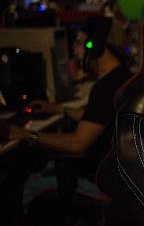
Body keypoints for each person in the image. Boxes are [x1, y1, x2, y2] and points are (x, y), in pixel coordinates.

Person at [0, 16, 132, 181]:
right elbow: (98, 117)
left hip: (99, 180)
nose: (74, 50)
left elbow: (78, 144)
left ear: (95, 47)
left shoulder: (106, 87)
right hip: (118, 175)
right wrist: (58, 109)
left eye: (78, 43)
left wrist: (25, 135)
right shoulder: (123, 76)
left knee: (26, 181)